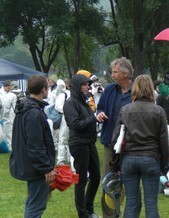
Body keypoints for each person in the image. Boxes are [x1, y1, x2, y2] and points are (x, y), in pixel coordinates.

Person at [111, 75, 169, 218]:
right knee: (151, 203)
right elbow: (163, 142)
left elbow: (116, 139)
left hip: (129, 159)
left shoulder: (125, 110)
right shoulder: (159, 111)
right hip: (150, 158)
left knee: (131, 202)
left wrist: (115, 164)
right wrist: (164, 165)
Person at [9, 75, 56, 217]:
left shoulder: (26, 108)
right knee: (35, 206)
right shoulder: (33, 112)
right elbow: (35, 144)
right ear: (43, 90)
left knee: (33, 203)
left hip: (30, 164)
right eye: (47, 86)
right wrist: (46, 168)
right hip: (36, 167)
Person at [63, 74, 101, 218]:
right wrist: (93, 119)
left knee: (96, 177)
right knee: (81, 179)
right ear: (78, 86)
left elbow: (88, 120)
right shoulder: (70, 103)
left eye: (88, 84)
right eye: (85, 84)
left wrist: (97, 119)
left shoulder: (84, 102)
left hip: (89, 143)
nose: (88, 87)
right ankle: (83, 213)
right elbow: (75, 125)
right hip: (79, 144)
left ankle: (88, 207)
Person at [96, 57, 133, 175]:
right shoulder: (109, 89)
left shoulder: (137, 91)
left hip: (131, 143)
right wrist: (100, 114)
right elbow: (100, 107)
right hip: (110, 140)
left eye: (115, 72)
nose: (112, 75)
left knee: (129, 179)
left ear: (126, 73)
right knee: (109, 179)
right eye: (112, 72)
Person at [54, 79, 73, 168]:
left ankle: (70, 158)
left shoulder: (77, 95)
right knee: (62, 139)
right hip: (65, 119)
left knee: (71, 139)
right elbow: (58, 106)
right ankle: (61, 159)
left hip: (74, 119)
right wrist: (68, 111)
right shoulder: (63, 95)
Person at [0, 80, 17, 149]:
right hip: (1, 115)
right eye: (7, 87)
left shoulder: (12, 95)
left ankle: (9, 146)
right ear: (4, 86)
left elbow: (14, 106)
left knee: (8, 132)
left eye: (10, 87)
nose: (9, 88)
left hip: (8, 116)